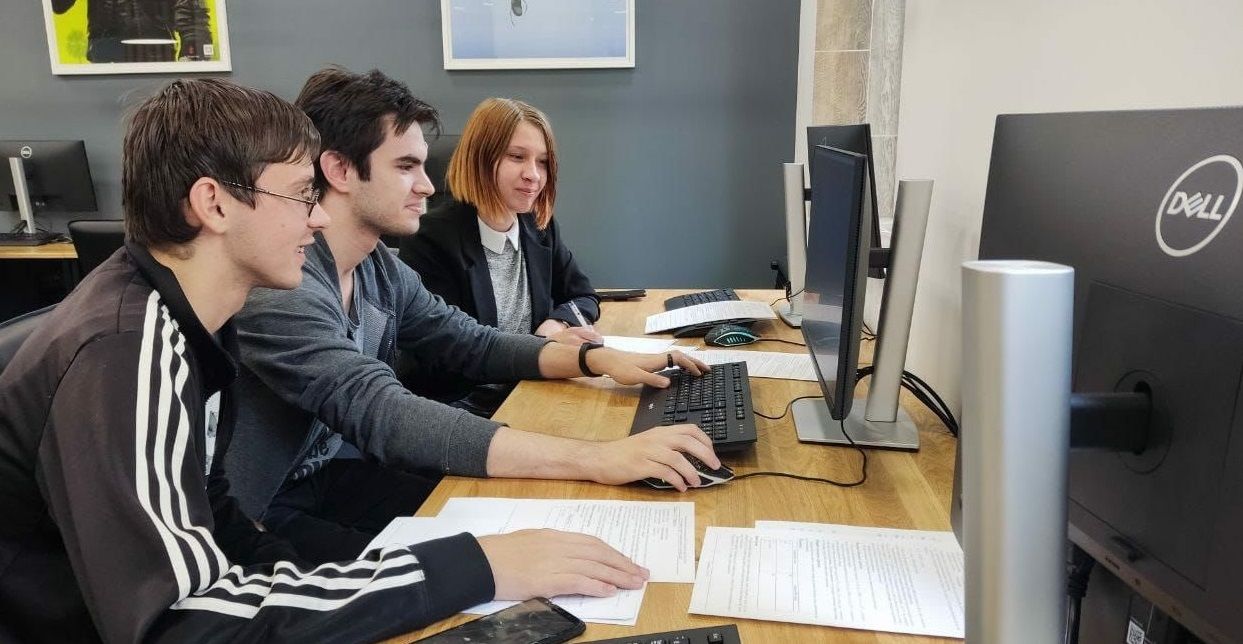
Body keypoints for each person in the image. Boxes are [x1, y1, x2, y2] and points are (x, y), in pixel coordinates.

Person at [0, 78, 650, 643]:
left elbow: (215, 504)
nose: (317, 221)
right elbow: (179, 621)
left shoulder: (198, 313)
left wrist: (301, 572)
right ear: (214, 203)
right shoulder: (127, 348)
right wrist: (474, 567)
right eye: (299, 196)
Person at [226, 67, 720, 562]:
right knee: (463, 575)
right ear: (338, 170)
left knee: (526, 520)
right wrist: (597, 457)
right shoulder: (282, 287)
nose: (427, 186)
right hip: (265, 510)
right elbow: (382, 412)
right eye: (405, 166)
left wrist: (594, 360)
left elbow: (471, 341)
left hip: (336, 474)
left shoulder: (379, 268)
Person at [399, 97, 601, 414]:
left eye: (542, 162)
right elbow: (448, 355)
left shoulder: (539, 227)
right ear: (480, 159)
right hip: (465, 407)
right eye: (517, 157)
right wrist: (542, 349)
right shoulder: (431, 239)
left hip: (531, 387)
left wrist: (555, 325)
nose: (533, 174)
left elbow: (584, 296)